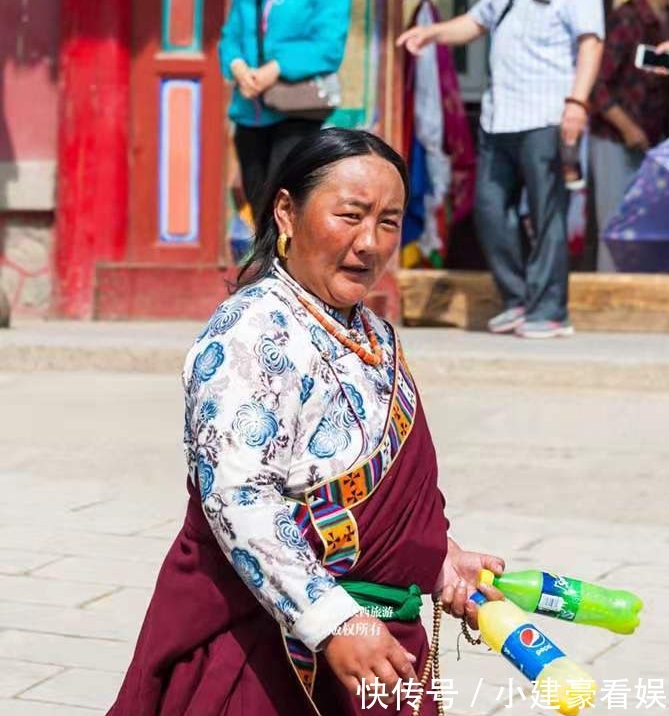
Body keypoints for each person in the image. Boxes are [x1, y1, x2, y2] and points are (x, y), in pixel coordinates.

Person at [107, 127, 506, 716]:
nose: (369, 242)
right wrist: (331, 620)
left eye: (390, 222)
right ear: (288, 213)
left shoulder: (372, 332)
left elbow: (360, 488)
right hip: (274, 651)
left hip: (382, 653)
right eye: (350, 215)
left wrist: (437, 558)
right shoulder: (248, 333)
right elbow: (239, 498)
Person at [397, 0, 604, 339]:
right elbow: (475, 22)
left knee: (547, 212)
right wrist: (429, 35)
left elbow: (591, 42)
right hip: (499, 116)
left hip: (548, 113)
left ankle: (550, 310)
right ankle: (517, 298)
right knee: (490, 208)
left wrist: (577, 102)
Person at [213, 0, 353, 213]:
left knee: (285, 196)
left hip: (295, 108)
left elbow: (328, 47)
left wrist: (275, 68)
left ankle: (284, 262)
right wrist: (237, 67)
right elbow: (230, 35)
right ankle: (268, 261)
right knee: (257, 198)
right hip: (249, 108)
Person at [589, 0, 669, 272]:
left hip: (655, 142)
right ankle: (607, 302)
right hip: (615, 141)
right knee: (615, 224)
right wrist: (628, 128)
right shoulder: (625, 20)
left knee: (652, 225)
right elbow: (596, 84)